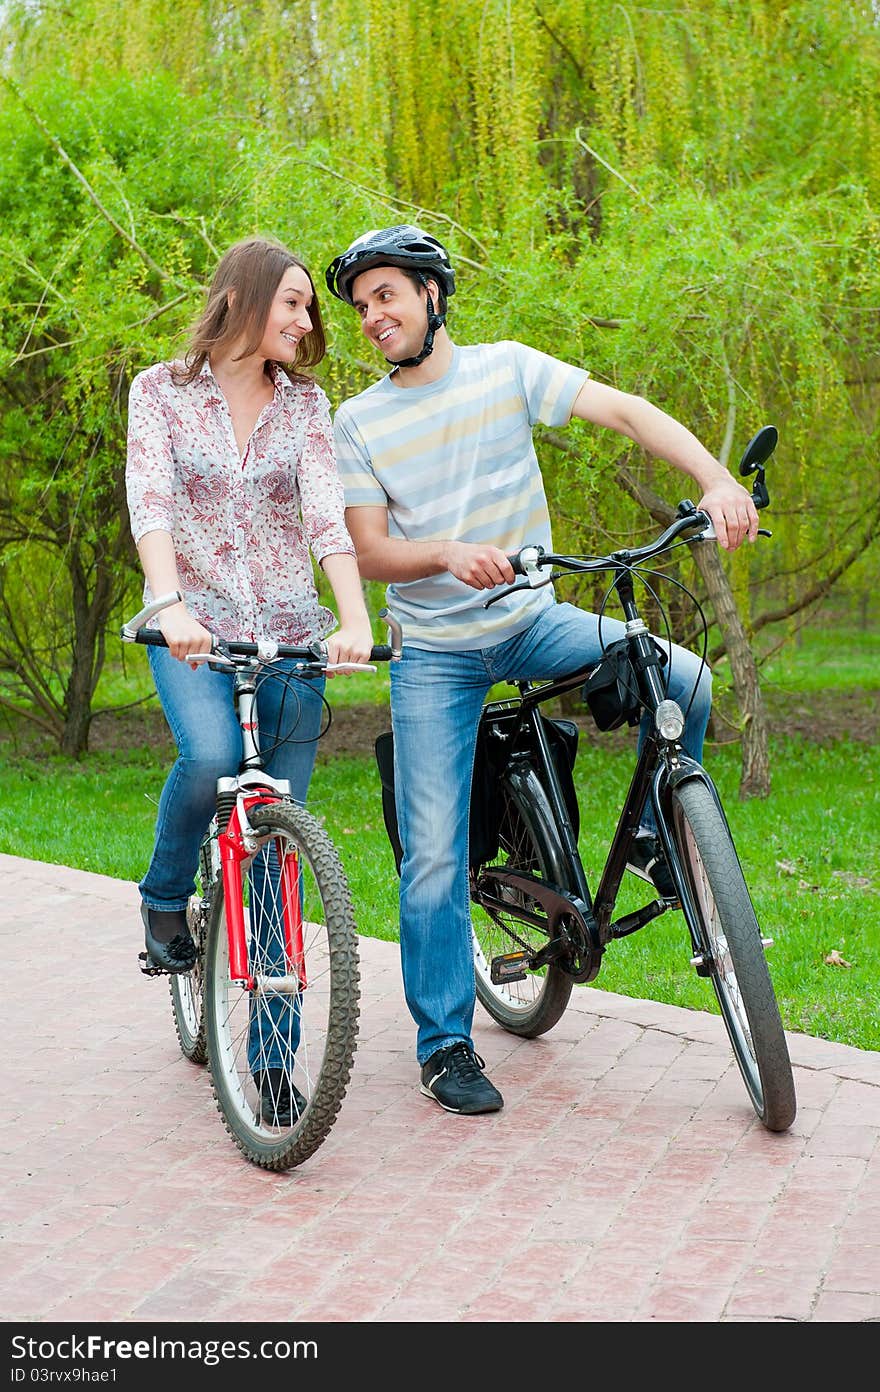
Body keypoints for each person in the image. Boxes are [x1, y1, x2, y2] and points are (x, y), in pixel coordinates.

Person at [324, 224, 760, 1117]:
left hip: (533, 619)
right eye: (362, 306)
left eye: (387, 296)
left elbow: (629, 412)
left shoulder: (507, 370)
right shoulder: (358, 421)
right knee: (436, 857)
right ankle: (444, 1044)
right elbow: (366, 551)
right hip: (437, 655)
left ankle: (654, 841)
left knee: (685, 682)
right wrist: (446, 553)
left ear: (432, 295)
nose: (374, 316)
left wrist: (718, 479)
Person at [126, 235, 374, 1126]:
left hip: (288, 640)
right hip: (193, 630)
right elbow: (149, 503)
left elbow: (324, 518)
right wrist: (170, 604)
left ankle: (272, 1062)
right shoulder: (158, 392)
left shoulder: (306, 407)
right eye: (296, 304)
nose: (309, 324)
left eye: (311, 309)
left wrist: (352, 620)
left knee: (272, 851)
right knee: (209, 758)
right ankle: (164, 903)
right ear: (243, 298)